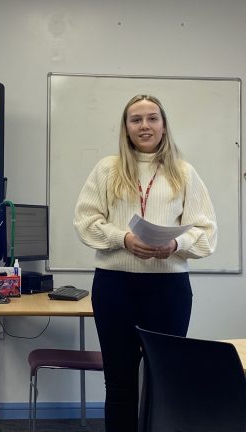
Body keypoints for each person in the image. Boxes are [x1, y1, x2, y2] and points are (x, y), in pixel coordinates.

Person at [73, 94, 217, 432]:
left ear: (164, 125)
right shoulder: (107, 169)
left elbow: (207, 232)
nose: (144, 125)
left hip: (168, 289)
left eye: (152, 118)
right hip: (115, 287)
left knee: (163, 381)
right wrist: (123, 239)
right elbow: (85, 221)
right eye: (136, 119)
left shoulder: (184, 172)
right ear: (126, 127)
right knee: (119, 383)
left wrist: (175, 244)